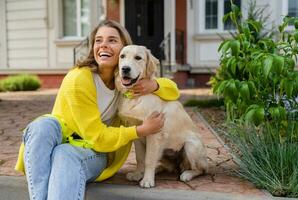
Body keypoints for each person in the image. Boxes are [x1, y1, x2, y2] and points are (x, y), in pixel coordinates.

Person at [15, 20, 179, 200]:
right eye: (98, 40)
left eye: (112, 40)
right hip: (74, 139)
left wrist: (154, 85)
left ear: (124, 49)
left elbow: (172, 90)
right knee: (41, 127)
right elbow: (96, 135)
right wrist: (140, 130)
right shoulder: (79, 79)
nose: (104, 45)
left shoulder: (125, 80)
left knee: (65, 153)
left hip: (96, 152)